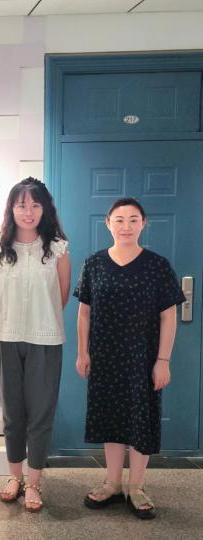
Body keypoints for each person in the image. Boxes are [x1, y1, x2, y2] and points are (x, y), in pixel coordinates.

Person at [74, 197, 184, 520]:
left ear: (143, 224)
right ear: (108, 224)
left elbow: (169, 316)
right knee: (110, 418)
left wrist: (163, 360)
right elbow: (84, 314)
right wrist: (83, 352)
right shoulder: (94, 264)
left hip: (143, 358)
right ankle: (112, 483)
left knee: (140, 420)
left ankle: (136, 487)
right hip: (105, 356)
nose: (126, 226)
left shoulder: (157, 265)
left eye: (133, 220)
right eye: (119, 220)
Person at [0, 177, 71, 512]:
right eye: (21, 205)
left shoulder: (58, 249)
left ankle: (34, 483)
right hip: (6, 339)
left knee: (41, 413)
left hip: (45, 340)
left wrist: (39, 320)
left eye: (35, 204)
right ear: (11, 209)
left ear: (45, 208)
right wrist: (11, 322)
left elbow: (61, 296)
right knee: (12, 413)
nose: (28, 211)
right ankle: (14, 477)